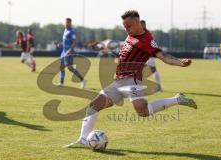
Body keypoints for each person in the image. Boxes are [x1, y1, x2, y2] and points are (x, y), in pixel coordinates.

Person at [64, 10, 197, 148]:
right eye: (124, 26)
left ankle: (177, 99)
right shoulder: (130, 36)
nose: (126, 29)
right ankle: (83, 139)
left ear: (138, 23)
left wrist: (180, 62)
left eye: (128, 26)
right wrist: (101, 46)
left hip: (132, 81)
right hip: (118, 81)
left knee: (143, 111)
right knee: (93, 106)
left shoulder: (147, 40)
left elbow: (164, 56)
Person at [59, 18, 86, 88]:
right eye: (66, 22)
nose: (66, 24)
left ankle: (82, 80)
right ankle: (61, 82)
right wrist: (60, 44)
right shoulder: (65, 30)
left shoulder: (72, 32)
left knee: (70, 68)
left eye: (68, 23)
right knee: (61, 67)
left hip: (69, 52)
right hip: (63, 52)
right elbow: (65, 41)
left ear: (70, 23)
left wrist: (70, 50)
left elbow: (74, 42)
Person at [140, 20, 162, 91]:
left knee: (153, 70)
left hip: (148, 54)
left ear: (144, 25)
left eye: (141, 24)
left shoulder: (146, 33)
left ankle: (158, 86)